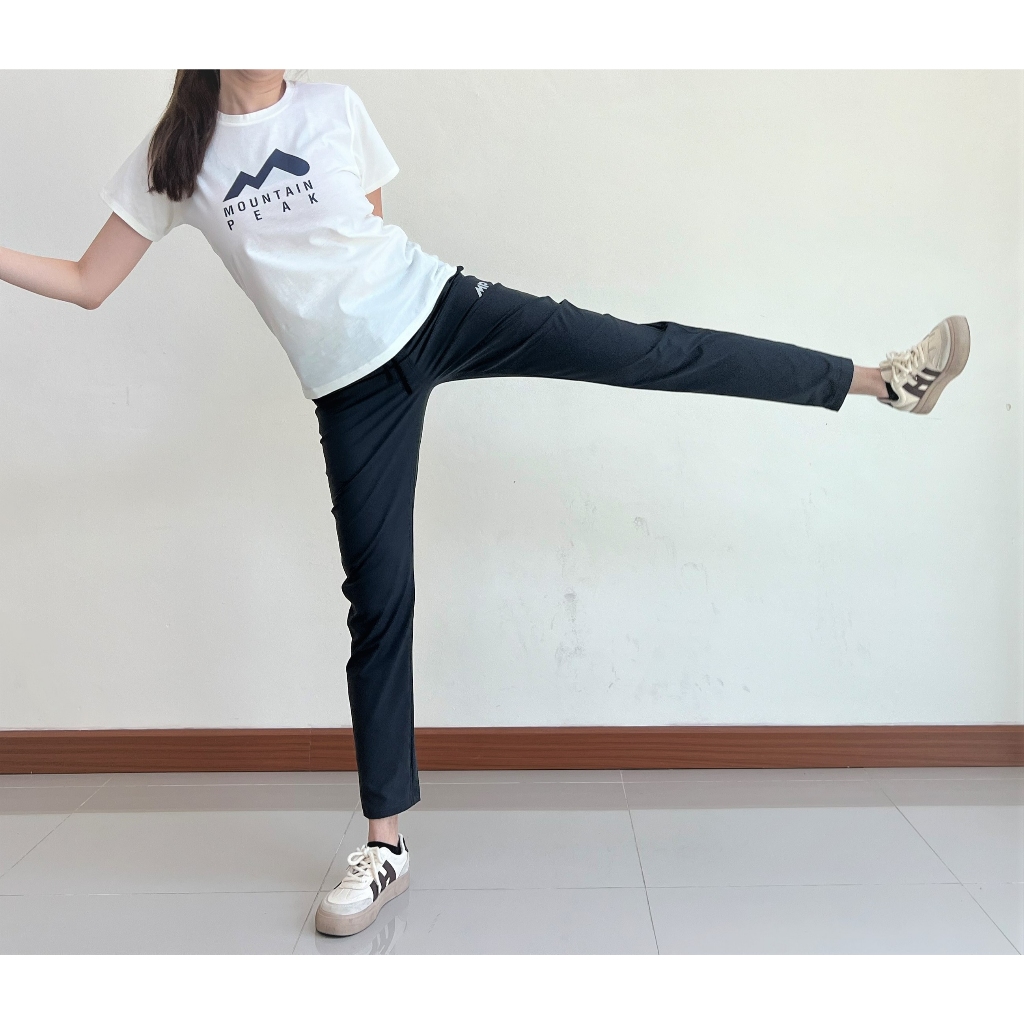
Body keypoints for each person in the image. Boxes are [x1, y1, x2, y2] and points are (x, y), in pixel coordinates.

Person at [0, 69, 970, 937]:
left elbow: (365, 239)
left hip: (438, 308)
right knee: (379, 602)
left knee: (644, 350)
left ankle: (881, 380)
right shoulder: (176, 153)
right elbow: (88, 282)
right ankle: (385, 846)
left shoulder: (334, 109)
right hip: (352, 392)